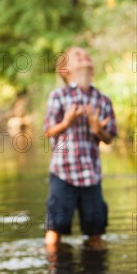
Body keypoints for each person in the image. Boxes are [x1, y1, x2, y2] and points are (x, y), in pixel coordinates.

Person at [43, 46, 117, 250]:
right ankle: (55, 269)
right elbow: (47, 131)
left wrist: (97, 130)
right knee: (55, 230)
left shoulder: (102, 100)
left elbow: (109, 138)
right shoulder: (58, 96)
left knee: (96, 232)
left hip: (91, 174)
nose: (85, 58)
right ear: (65, 70)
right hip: (63, 173)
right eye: (78, 57)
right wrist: (66, 123)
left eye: (87, 56)